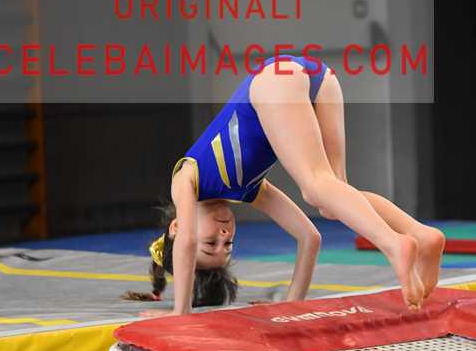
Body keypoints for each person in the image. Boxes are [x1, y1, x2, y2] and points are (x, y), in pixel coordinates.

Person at [145, 55, 445, 315]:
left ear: (176, 227)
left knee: (315, 186)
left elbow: (186, 242)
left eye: (211, 243)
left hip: (274, 81)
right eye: (228, 245)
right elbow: (309, 238)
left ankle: (393, 244)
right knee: (334, 198)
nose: (224, 236)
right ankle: (421, 233)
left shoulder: (187, 176)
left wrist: (180, 313)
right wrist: (291, 306)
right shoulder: (249, 190)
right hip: (319, 79)